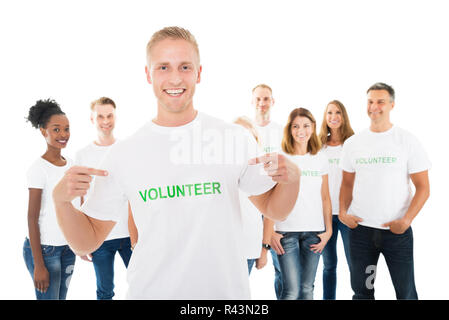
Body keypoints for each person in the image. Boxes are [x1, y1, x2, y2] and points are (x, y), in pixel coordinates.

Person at [52, 26, 301, 299]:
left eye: (184, 67)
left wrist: (293, 178)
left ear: (199, 72)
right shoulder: (124, 153)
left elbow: (274, 209)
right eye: (163, 67)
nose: (174, 78)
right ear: (148, 74)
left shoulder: (233, 138)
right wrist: (61, 202)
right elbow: (88, 239)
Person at [339, 82, 431, 300]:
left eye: (380, 101)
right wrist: (343, 212)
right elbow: (346, 184)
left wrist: (407, 220)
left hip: (396, 234)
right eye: (370, 101)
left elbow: (424, 187)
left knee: (405, 293)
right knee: (362, 292)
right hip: (361, 232)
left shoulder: (406, 140)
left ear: (391, 105)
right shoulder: (353, 143)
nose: (374, 107)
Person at [75, 97, 134, 300]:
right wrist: (80, 241)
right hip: (100, 237)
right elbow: (80, 200)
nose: (106, 120)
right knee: (105, 292)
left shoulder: (128, 148)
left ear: (115, 117)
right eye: (101, 116)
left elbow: (137, 192)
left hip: (130, 234)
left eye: (110, 116)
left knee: (143, 286)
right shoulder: (83, 155)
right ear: (92, 119)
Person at [273, 107, 333, 300]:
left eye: (306, 126)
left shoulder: (320, 158)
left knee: (307, 289)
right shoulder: (280, 157)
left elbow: (325, 197)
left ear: (313, 127)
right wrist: (270, 231)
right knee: (290, 291)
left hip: (314, 233)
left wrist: (328, 230)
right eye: (296, 126)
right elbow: (268, 196)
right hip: (286, 231)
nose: (301, 131)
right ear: (289, 129)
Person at [24, 99, 76, 300]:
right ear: (43, 131)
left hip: (67, 249)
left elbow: (73, 208)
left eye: (66, 129)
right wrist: (39, 264)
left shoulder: (71, 164)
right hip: (45, 251)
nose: (63, 135)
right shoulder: (38, 169)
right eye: (56, 130)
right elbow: (31, 218)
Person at [318, 100, 354, 300]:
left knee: (354, 264)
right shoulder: (318, 146)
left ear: (344, 116)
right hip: (324, 216)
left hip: (347, 214)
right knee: (329, 265)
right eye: (329, 112)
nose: (333, 116)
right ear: (325, 117)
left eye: (338, 112)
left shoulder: (353, 143)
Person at [251, 84, 284, 299]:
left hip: (275, 200)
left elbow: (287, 169)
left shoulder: (281, 130)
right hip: (251, 200)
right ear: (252, 102)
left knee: (280, 265)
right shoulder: (244, 131)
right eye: (258, 99)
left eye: (266, 99)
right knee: (247, 257)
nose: (262, 103)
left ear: (273, 101)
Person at [233, 116, 264, 275]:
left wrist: (264, 248)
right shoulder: (220, 165)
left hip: (249, 242)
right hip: (224, 247)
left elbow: (270, 212)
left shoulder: (263, 167)